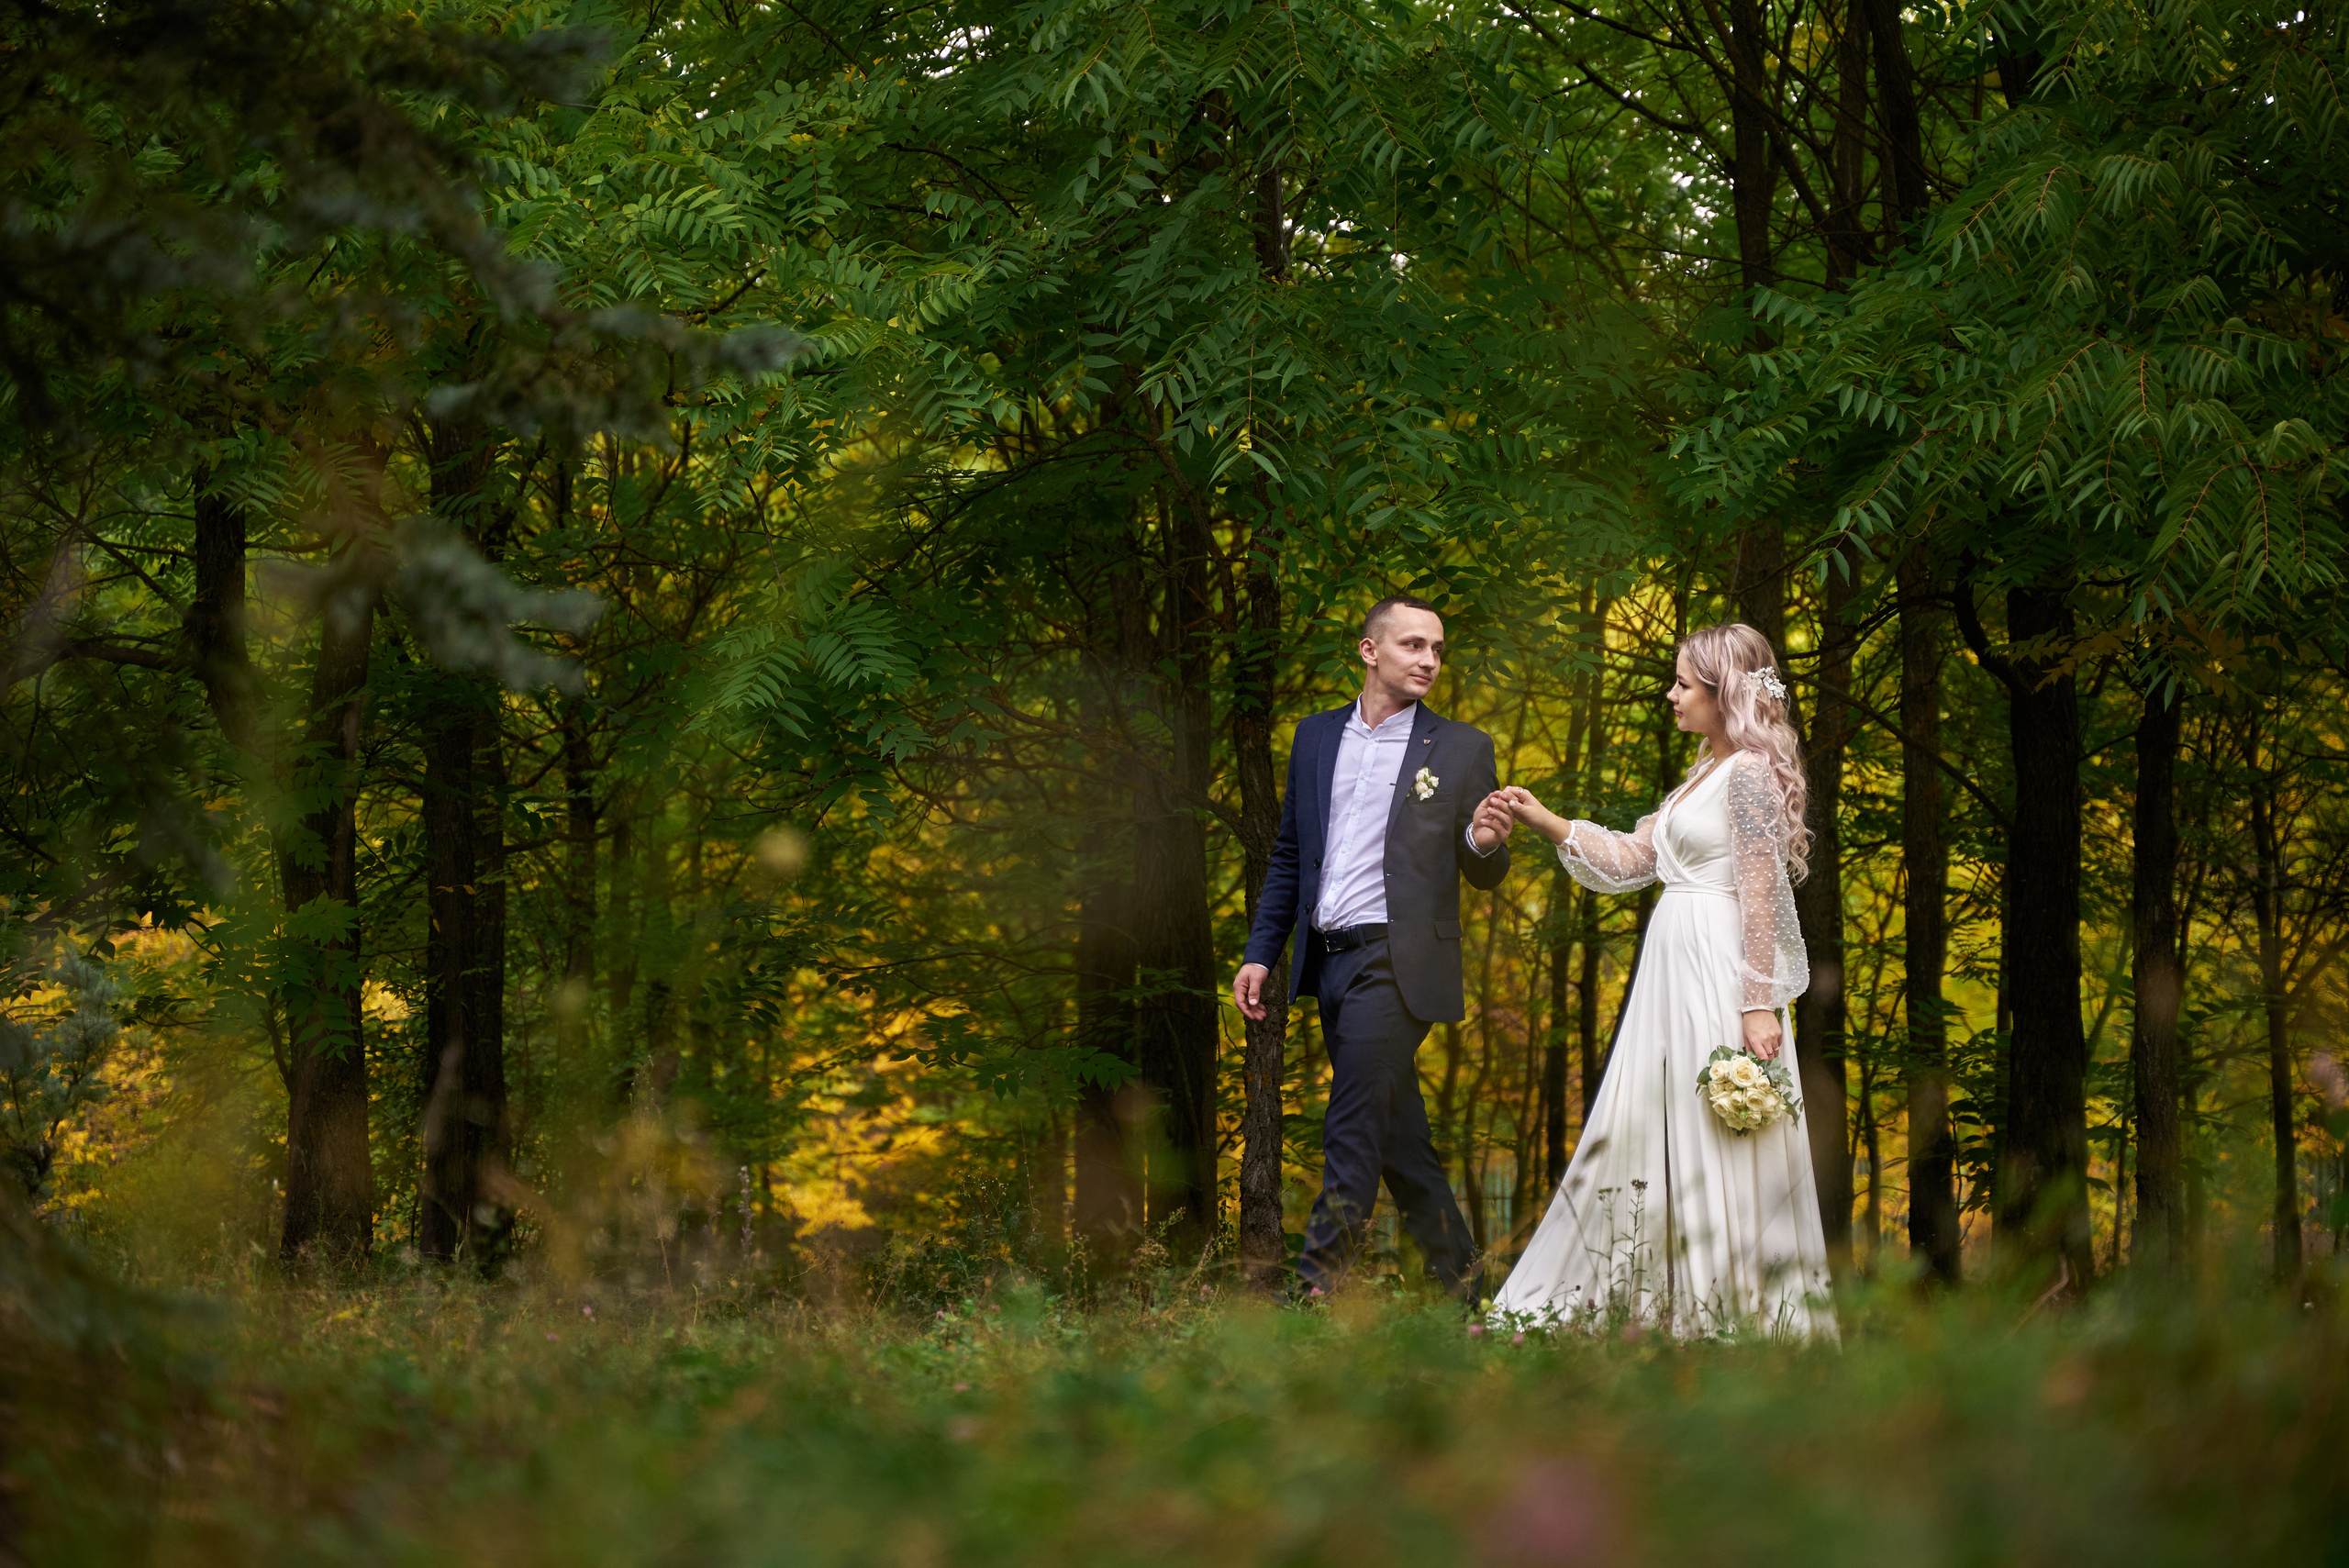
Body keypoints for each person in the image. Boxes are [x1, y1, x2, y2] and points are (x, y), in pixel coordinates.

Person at [1490, 623, 1835, 1338]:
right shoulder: (1701, 775)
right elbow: (1628, 860)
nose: (1671, 694)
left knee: (1719, 1127)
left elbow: (1763, 889)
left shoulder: (1746, 774)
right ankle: (1655, 1303)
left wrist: (1759, 1004)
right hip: (1670, 968)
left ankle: (1732, 1311)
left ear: (1723, 693)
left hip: (1719, 967)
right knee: (1653, 1117)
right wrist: (1544, 818)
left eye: (1684, 684)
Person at [1233, 595, 1515, 1299]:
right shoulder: (1315, 737)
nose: (1428, 660)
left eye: (1437, 649)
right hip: (1327, 960)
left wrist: (1483, 838)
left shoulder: (1460, 748)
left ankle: (1316, 1293)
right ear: (1369, 651)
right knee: (1399, 1143)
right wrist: (1262, 951)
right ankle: (1466, 1291)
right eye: (1414, 644)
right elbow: (1291, 853)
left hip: (1399, 964)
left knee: (1352, 1124)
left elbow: (1482, 865)